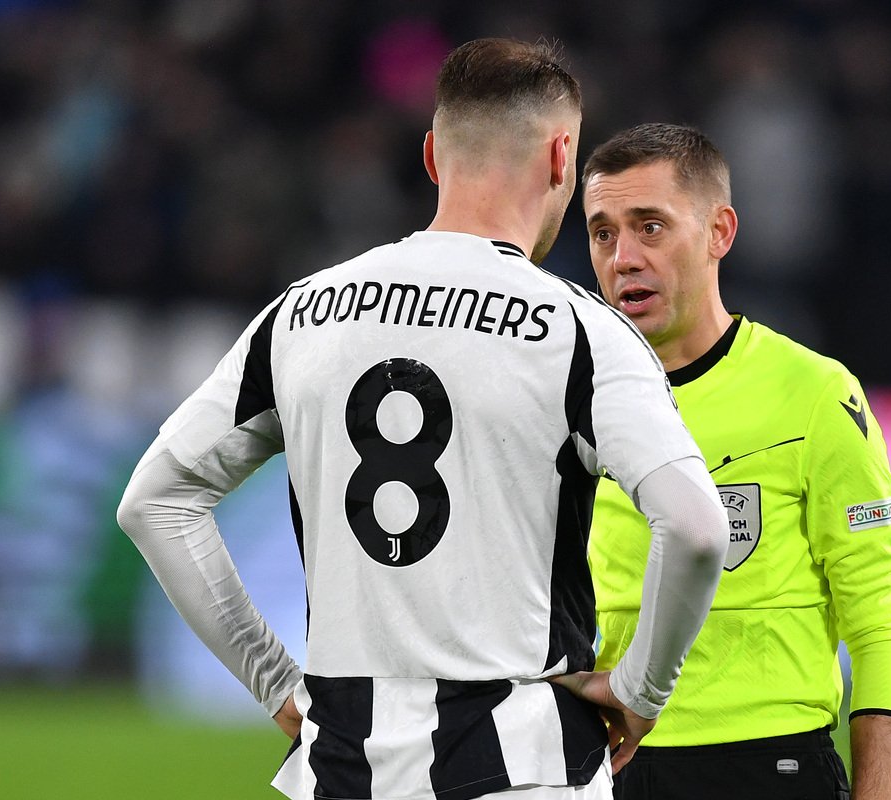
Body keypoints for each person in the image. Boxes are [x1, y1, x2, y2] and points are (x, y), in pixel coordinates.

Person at [117, 41, 729, 800]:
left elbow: (154, 501)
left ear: (434, 155)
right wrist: (642, 691)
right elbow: (696, 527)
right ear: (561, 156)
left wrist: (273, 680)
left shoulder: (300, 314)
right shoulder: (580, 332)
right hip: (523, 767)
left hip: (343, 770)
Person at [581, 123, 891, 800]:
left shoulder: (814, 394)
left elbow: (878, 619)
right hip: (611, 769)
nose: (623, 258)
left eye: (650, 227)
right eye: (603, 233)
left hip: (770, 769)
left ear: (719, 232)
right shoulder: (571, 401)